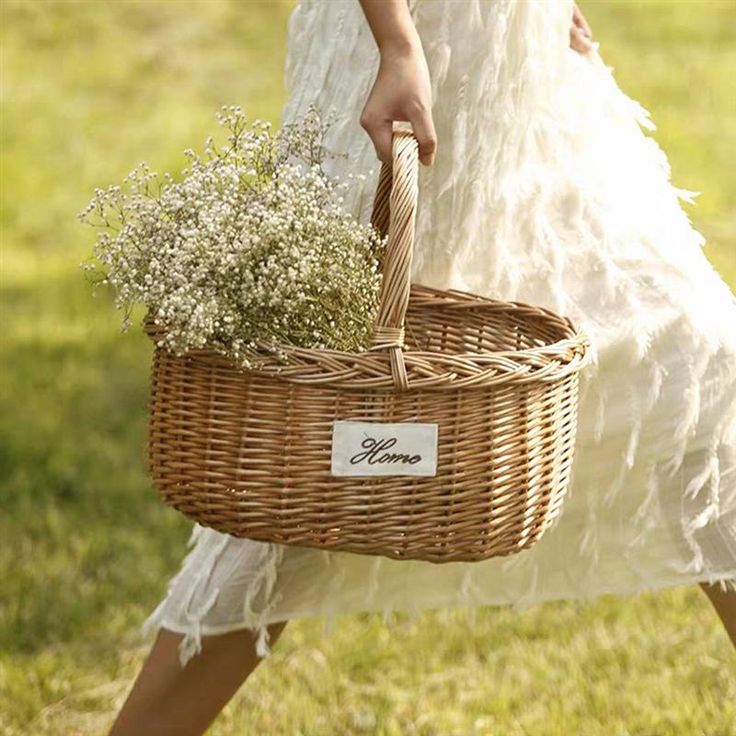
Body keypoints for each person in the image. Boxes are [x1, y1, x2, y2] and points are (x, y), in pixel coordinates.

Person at [109, 1, 736, 734]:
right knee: (315, 454)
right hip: (415, 62)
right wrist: (397, 42)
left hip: (531, 79)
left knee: (699, 375)